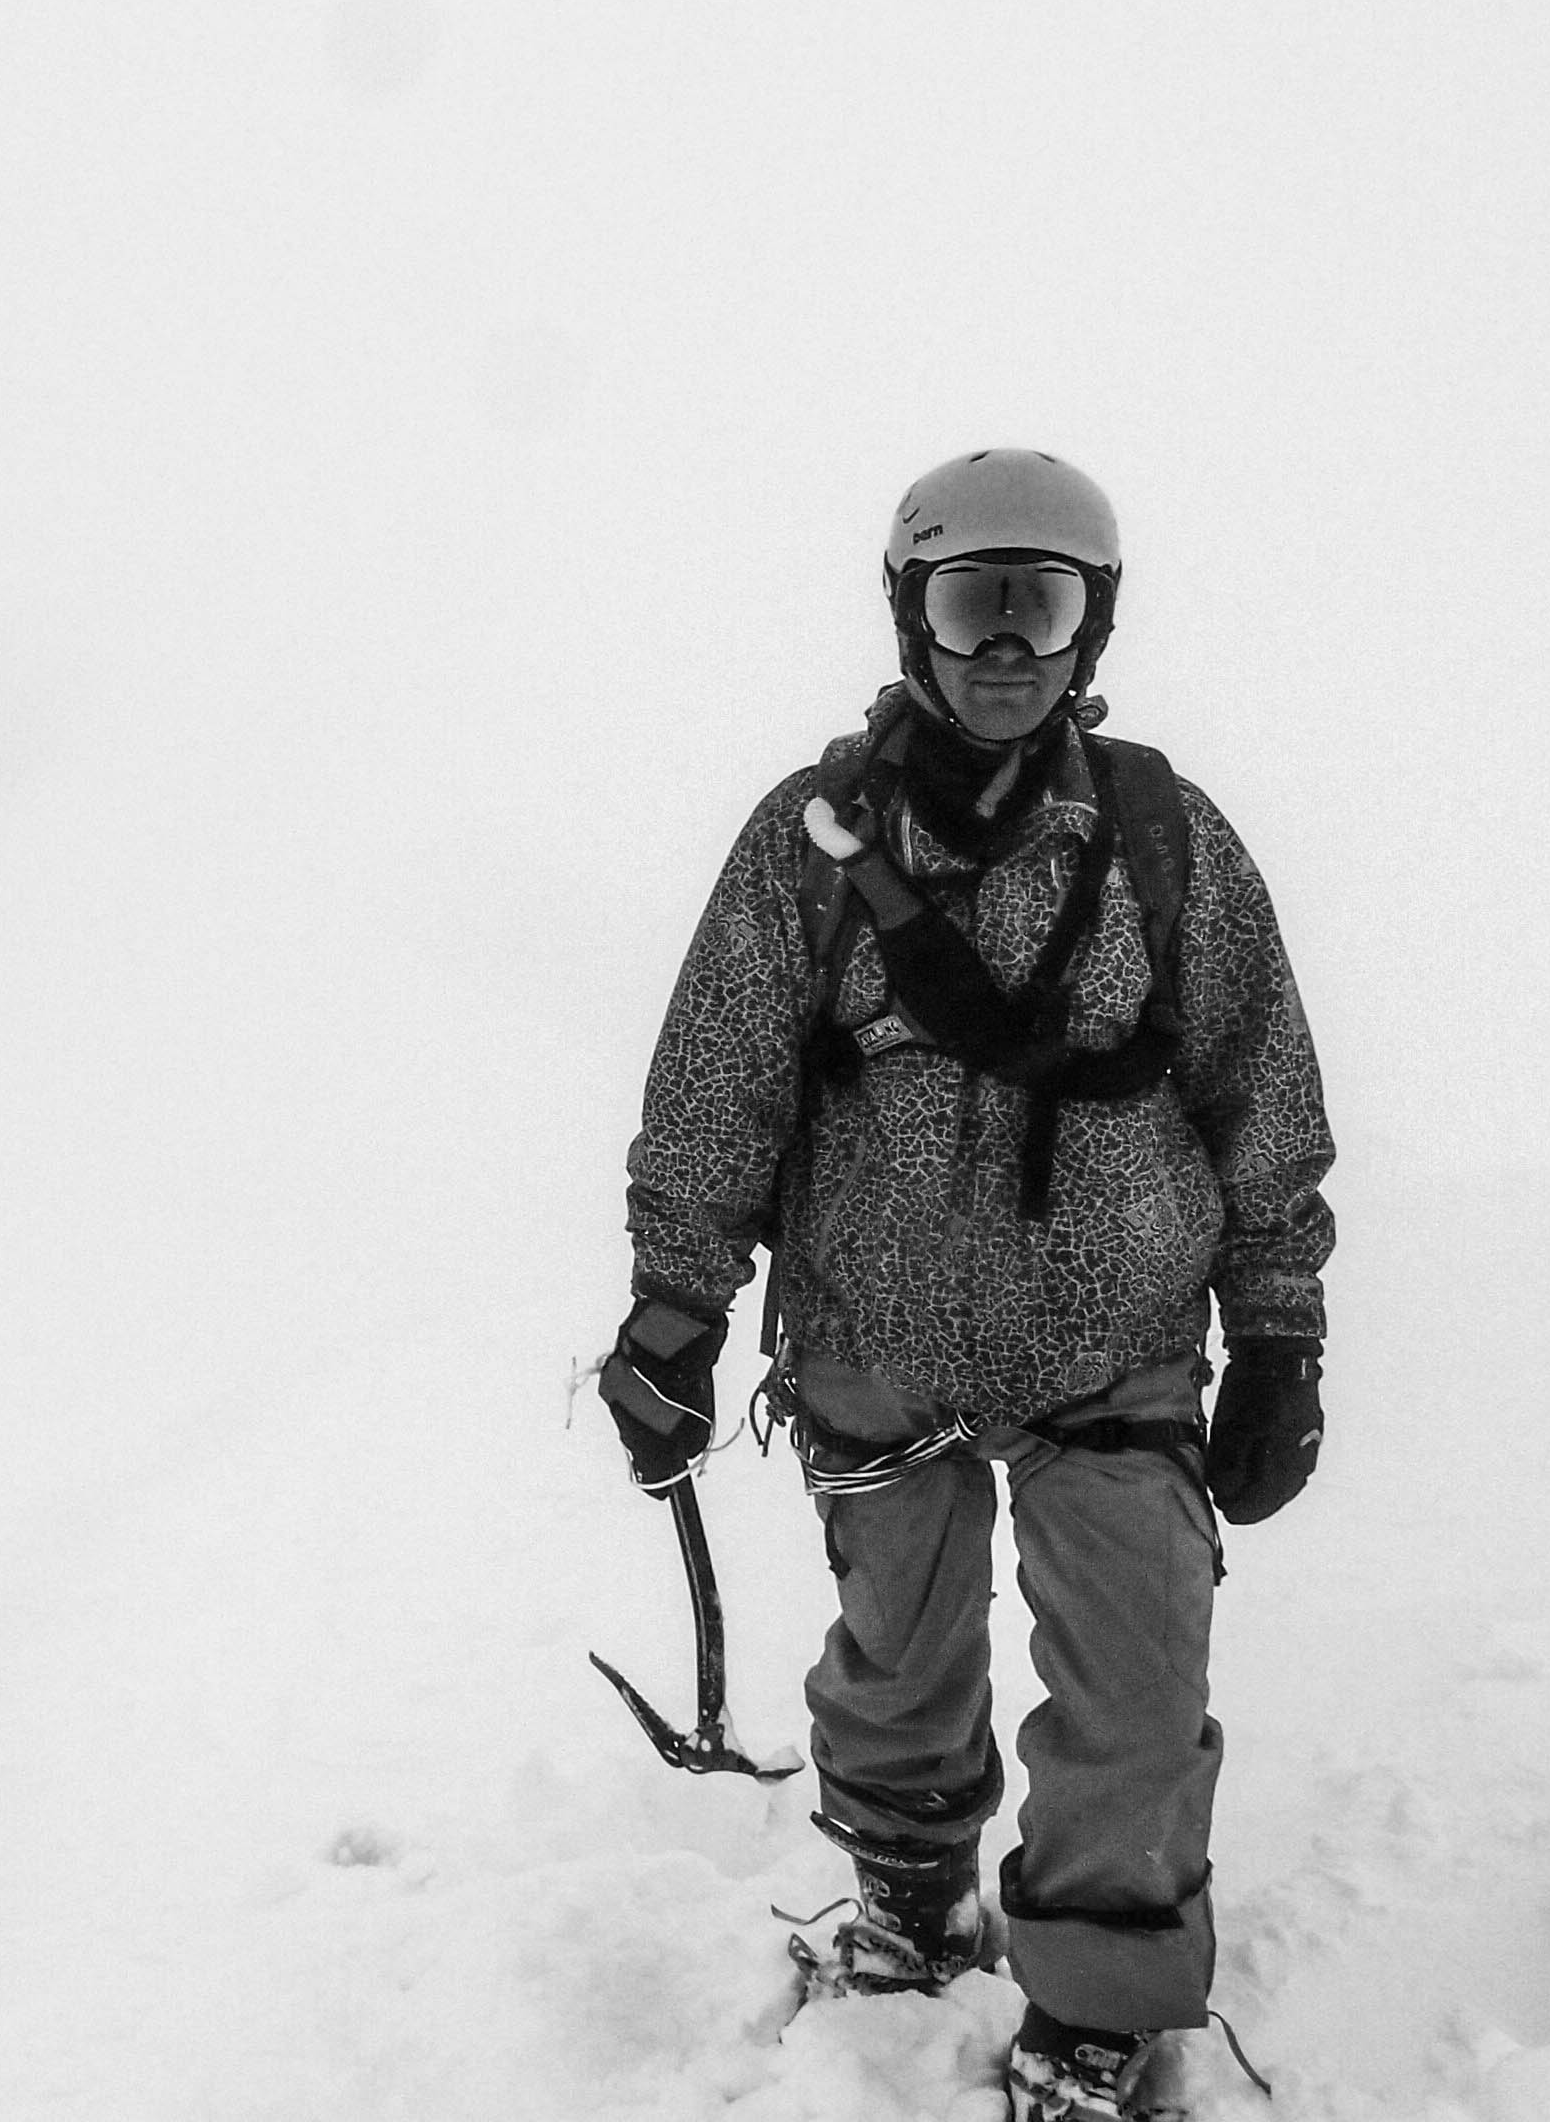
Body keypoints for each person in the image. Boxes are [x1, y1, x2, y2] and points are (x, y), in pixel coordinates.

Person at [593, 451, 1335, 2122]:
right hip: (876, 1334)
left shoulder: (1165, 838)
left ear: (1094, 627)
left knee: (1139, 1689)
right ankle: (912, 1894)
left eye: (1043, 603)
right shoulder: (815, 840)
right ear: (912, 617)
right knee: (898, 1655)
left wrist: (1279, 1327)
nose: (1007, 643)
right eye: (972, 600)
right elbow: (719, 1082)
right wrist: (672, 1309)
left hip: (1117, 1337)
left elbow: (1257, 1082)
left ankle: (1097, 2008)